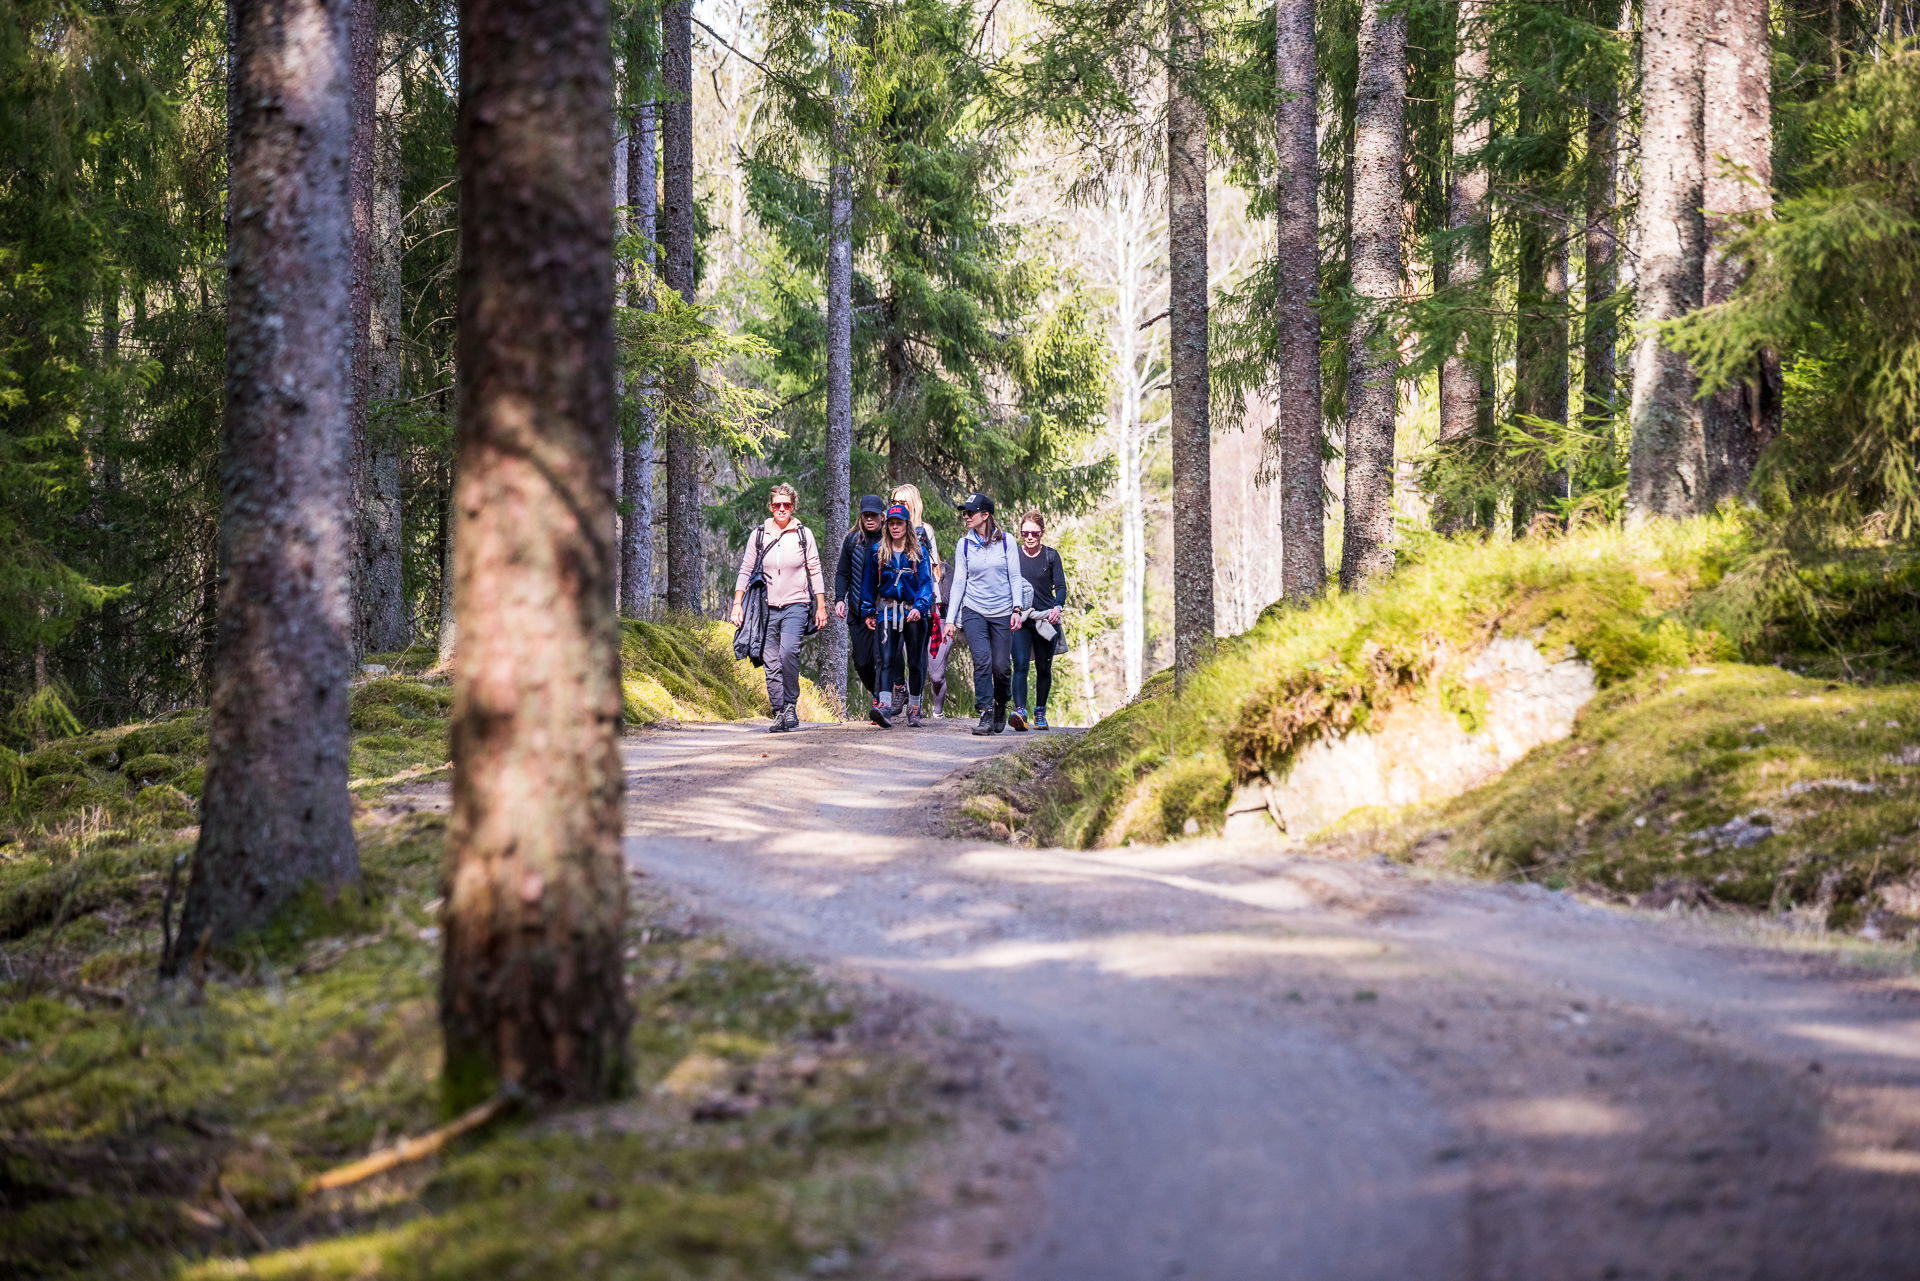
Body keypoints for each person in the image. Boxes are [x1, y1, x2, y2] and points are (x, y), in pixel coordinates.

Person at [729, 483, 827, 733]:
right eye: (776, 505)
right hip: (766, 607)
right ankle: (779, 711)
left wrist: (821, 605)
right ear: (771, 507)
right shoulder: (759, 535)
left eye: (786, 505)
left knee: (787, 653)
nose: (781, 509)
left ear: (793, 506)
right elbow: (746, 569)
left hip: (797, 604)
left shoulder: (804, 535)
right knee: (770, 659)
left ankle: (791, 704)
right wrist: (737, 603)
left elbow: (815, 569)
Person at [944, 492, 1030, 735]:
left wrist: (1017, 609)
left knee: (1001, 667)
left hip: (1003, 611)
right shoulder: (964, 544)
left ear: (986, 515)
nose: (966, 516)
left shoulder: (1007, 541)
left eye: (971, 512)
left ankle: (1001, 704)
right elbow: (959, 581)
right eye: (965, 512)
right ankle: (985, 713)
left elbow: (1015, 577)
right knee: (981, 660)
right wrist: (950, 620)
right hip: (974, 610)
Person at [859, 504, 934, 727]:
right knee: (885, 658)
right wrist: (868, 612)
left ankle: (914, 707)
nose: (894, 527)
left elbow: (926, 584)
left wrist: (919, 608)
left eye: (898, 523)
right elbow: (869, 584)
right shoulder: (878, 552)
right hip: (886, 611)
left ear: (906, 525)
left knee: (914, 661)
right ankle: (883, 706)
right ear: (886, 525)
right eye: (891, 523)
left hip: (913, 612)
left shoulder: (919, 552)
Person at [1008, 510, 1067, 732]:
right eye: (1025, 533)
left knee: (1044, 666)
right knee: (1020, 664)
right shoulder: (1013, 555)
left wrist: (1057, 608)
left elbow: (1060, 587)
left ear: (1042, 533)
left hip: (1045, 619)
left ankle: (1040, 712)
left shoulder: (1051, 556)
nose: (1029, 537)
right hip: (1021, 618)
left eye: (1034, 533)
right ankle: (1020, 711)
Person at [887, 483, 943, 712]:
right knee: (893, 648)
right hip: (894, 602)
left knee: (917, 654)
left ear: (913, 503)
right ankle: (899, 686)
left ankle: (915, 704)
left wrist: (929, 601)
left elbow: (932, 569)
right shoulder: (889, 529)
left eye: (903, 502)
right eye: (895, 503)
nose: (899, 506)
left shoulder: (924, 530)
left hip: (920, 600)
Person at [833, 495, 886, 709]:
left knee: (882, 658)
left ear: (882, 516)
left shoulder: (889, 539)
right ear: (861, 516)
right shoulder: (852, 540)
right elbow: (842, 573)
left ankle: (883, 701)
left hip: (884, 610)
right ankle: (877, 691)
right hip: (857, 611)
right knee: (862, 662)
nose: (870, 519)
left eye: (874, 515)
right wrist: (839, 598)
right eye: (866, 516)